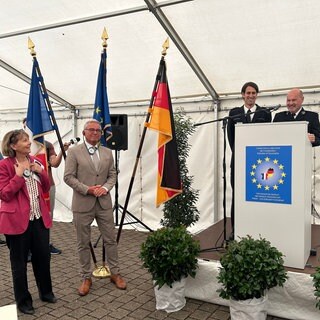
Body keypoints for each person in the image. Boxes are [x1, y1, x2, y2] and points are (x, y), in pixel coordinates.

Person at [64, 119, 126, 296]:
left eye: (98, 130)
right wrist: (88, 190)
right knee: (83, 243)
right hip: (83, 203)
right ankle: (86, 277)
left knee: (111, 240)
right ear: (84, 132)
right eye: (91, 130)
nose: (95, 133)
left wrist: (105, 188)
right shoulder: (74, 152)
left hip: (104, 203)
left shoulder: (107, 152)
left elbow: (112, 174)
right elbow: (68, 177)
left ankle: (115, 273)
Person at [0, 129, 56, 315]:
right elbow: (5, 194)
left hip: (38, 219)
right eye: (24, 141)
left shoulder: (35, 161)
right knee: (19, 263)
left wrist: (42, 173)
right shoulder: (5, 165)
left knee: (42, 258)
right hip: (17, 221)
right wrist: (17, 176)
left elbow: (46, 187)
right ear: (13, 146)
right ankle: (23, 301)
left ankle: (46, 293)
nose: (28, 143)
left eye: (27, 140)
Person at [227, 82, 272, 239]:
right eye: (248, 93)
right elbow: (231, 138)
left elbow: (267, 137)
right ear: (243, 94)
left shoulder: (265, 113)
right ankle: (235, 230)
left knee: (257, 196)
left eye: (254, 93)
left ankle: (257, 230)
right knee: (237, 196)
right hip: (238, 163)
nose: (251, 96)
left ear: (257, 95)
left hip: (259, 166)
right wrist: (241, 156)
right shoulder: (234, 113)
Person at [23, 117, 69, 254]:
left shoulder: (47, 145)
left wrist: (62, 151)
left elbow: (54, 163)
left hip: (47, 185)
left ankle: (46, 243)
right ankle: (29, 246)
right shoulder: (21, 146)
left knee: (47, 214)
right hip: (26, 186)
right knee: (27, 214)